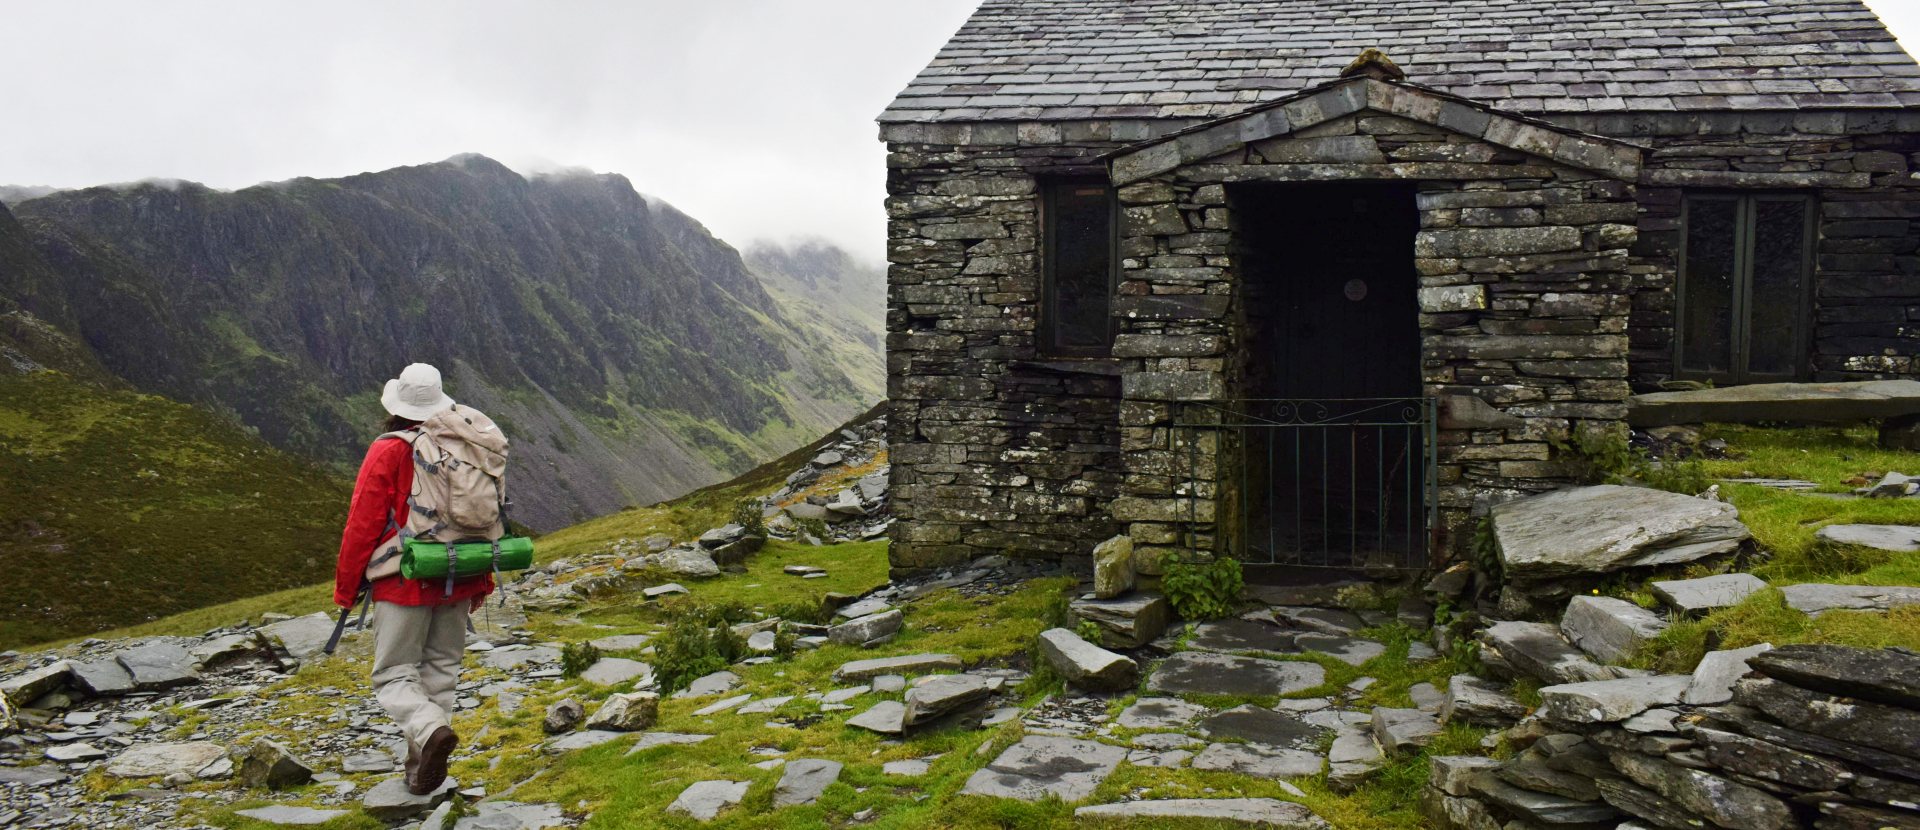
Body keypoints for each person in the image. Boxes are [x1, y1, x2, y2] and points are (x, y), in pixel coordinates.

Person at [333, 363, 493, 795]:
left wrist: (346, 590)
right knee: (441, 670)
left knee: (393, 676)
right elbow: (486, 519)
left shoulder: (388, 450)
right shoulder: (468, 445)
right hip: (461, 573)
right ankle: (421, 765)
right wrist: (482, 581)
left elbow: (361, 525)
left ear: (397, 405)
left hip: (404, 580)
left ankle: (428, 734)